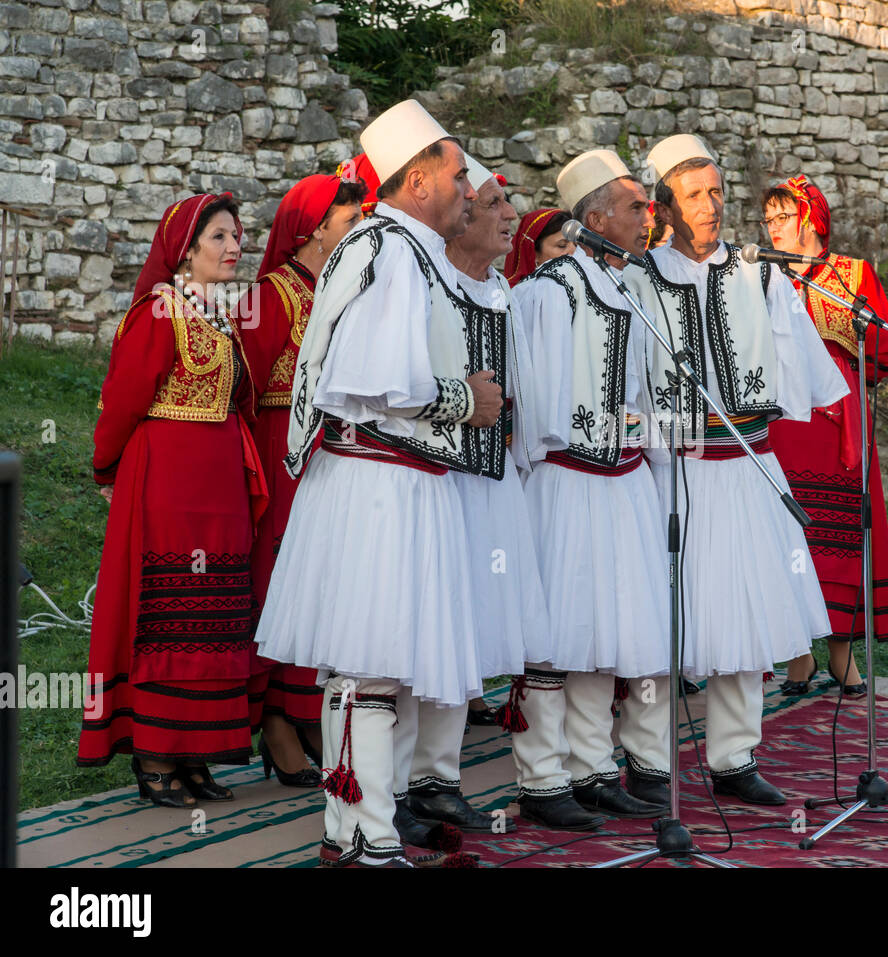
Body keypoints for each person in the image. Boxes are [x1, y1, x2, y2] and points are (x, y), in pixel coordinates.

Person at [254, 100, 502, 867]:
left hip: (405, 482)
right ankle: (362, 839)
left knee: (388, 666)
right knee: (370, 665)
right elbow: (366, 380)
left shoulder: (404, 247)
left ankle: (367, 831)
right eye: (460, 175)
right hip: (376, 486)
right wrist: (468, 398)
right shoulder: (386, 247)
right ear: (419, 179)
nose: (470, 188)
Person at [626, 134, 848, 806]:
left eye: (718, 192)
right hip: (674, 471)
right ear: (665, 204)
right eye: (695, 195)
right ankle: (646, 758)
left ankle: (733, 755)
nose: (712, 205)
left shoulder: (761, 275)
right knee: (667, 613)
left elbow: (805, 374)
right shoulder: (639, 279)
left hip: (749, 464)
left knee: (748, 607)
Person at [79, 193, 267, 808]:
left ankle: (196, 751)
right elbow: (125, 397)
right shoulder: (158, 315)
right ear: (184, 251)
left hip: (219, 487)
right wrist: (108, 466)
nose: (234, 246)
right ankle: (156, 753)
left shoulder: (223, 314)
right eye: (218, 237)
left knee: (212, 617)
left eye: (237, 236)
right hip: (166, 484)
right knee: (167, 617)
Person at [506, 149, 674, 828]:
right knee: (554, 632)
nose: (648, 218)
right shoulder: (544, 293)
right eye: (636, 206)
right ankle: (542, 777)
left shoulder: (631, 290)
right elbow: (529, 408)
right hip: (564, 482)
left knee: (607, 627)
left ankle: (594, 766)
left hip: (622, 481)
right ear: (596, 214)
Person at [393, 155, 548, 838]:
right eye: (492, 204)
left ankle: (438, 774)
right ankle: (394, 783)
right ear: (460, 221)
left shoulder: (506, 292)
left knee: (468, 630)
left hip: (495, 482)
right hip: (438, 481)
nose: (509, 218)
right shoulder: (427, 284)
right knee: (422, 630)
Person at [240, 173, 365, 787]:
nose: (359, 227)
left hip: (329, 452)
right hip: (277, 448)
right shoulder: (272, 294)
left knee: (321, 581)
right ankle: (274, 717)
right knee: (280, 579)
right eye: (348, 219)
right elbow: (242, 387)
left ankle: (305, 707)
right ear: (316, 228)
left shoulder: (340, 285)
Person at [761, 173, 888, 697]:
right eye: (769, 219)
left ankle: (841, 657)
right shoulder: (760, 278)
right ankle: (798, 657)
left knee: (836, 535)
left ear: (811, 219)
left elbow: (884, 350)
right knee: (790, 534)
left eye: (784, 217)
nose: (774, 228)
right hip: (783, 422)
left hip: (837, 424)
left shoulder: (852, 275)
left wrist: (857, 346)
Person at [505, 207, 574, 286]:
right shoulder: (518, 296)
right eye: (562, 245)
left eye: (577, 245)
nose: (574, 252)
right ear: (534, 254)